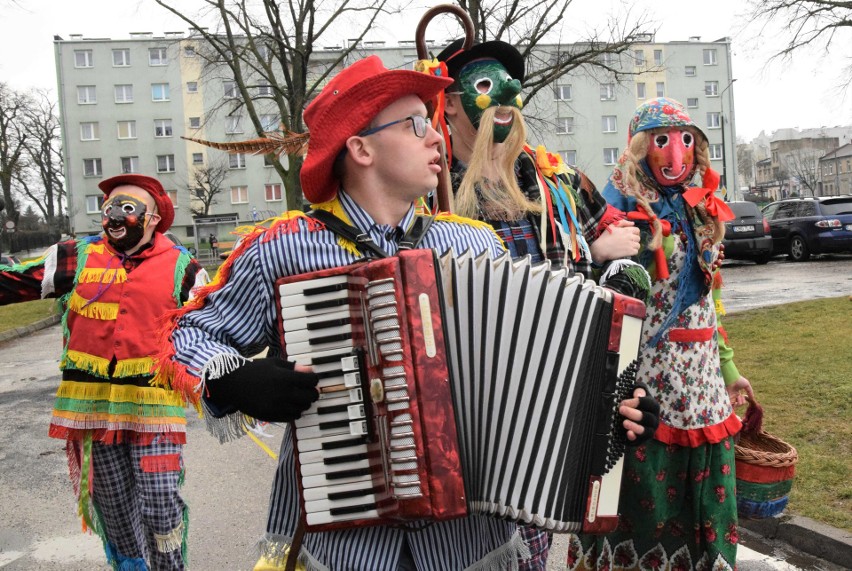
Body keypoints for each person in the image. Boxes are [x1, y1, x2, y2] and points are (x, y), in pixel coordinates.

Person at [159, 56, 658, 571]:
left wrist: (609, 405)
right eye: (417, 124)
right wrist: (234, 380)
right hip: (344, 544)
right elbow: (189, 334)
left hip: (469, 544)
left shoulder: (472, 245)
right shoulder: (284, 248)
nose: (437, 138)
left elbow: (537, 364)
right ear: (361, 147)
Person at [432, 38, 657, 569]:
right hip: (457, 441)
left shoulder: (554, 181)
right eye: (485, 86)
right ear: (451, 102)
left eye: (511, 89)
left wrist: (603, 253)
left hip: (549, 438)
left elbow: (630, 253)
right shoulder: (425, 188)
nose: (504, 101)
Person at [564, 98, 753, 571]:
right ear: (639, 147)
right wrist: (632, 250)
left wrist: (729, 369)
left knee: (705, 505)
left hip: (704, 384)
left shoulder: (701, 209)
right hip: (648, 381)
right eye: (661, 141)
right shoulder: (622, 214)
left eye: (685, 139)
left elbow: (708, 301)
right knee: (646, 502)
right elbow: (603, 295)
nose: (676, 154)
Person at [0, 174, 203, 570]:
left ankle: (169, 566)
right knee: (112, 502)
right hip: (92, 409)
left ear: (152, 218)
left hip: (154, 408)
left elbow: (213, 325)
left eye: (128, 209)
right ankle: (131, 565)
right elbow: (15, 283)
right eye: (110, 207)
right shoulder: (77, 257)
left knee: (161, 500)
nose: (114, 216)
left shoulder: (183, 268)